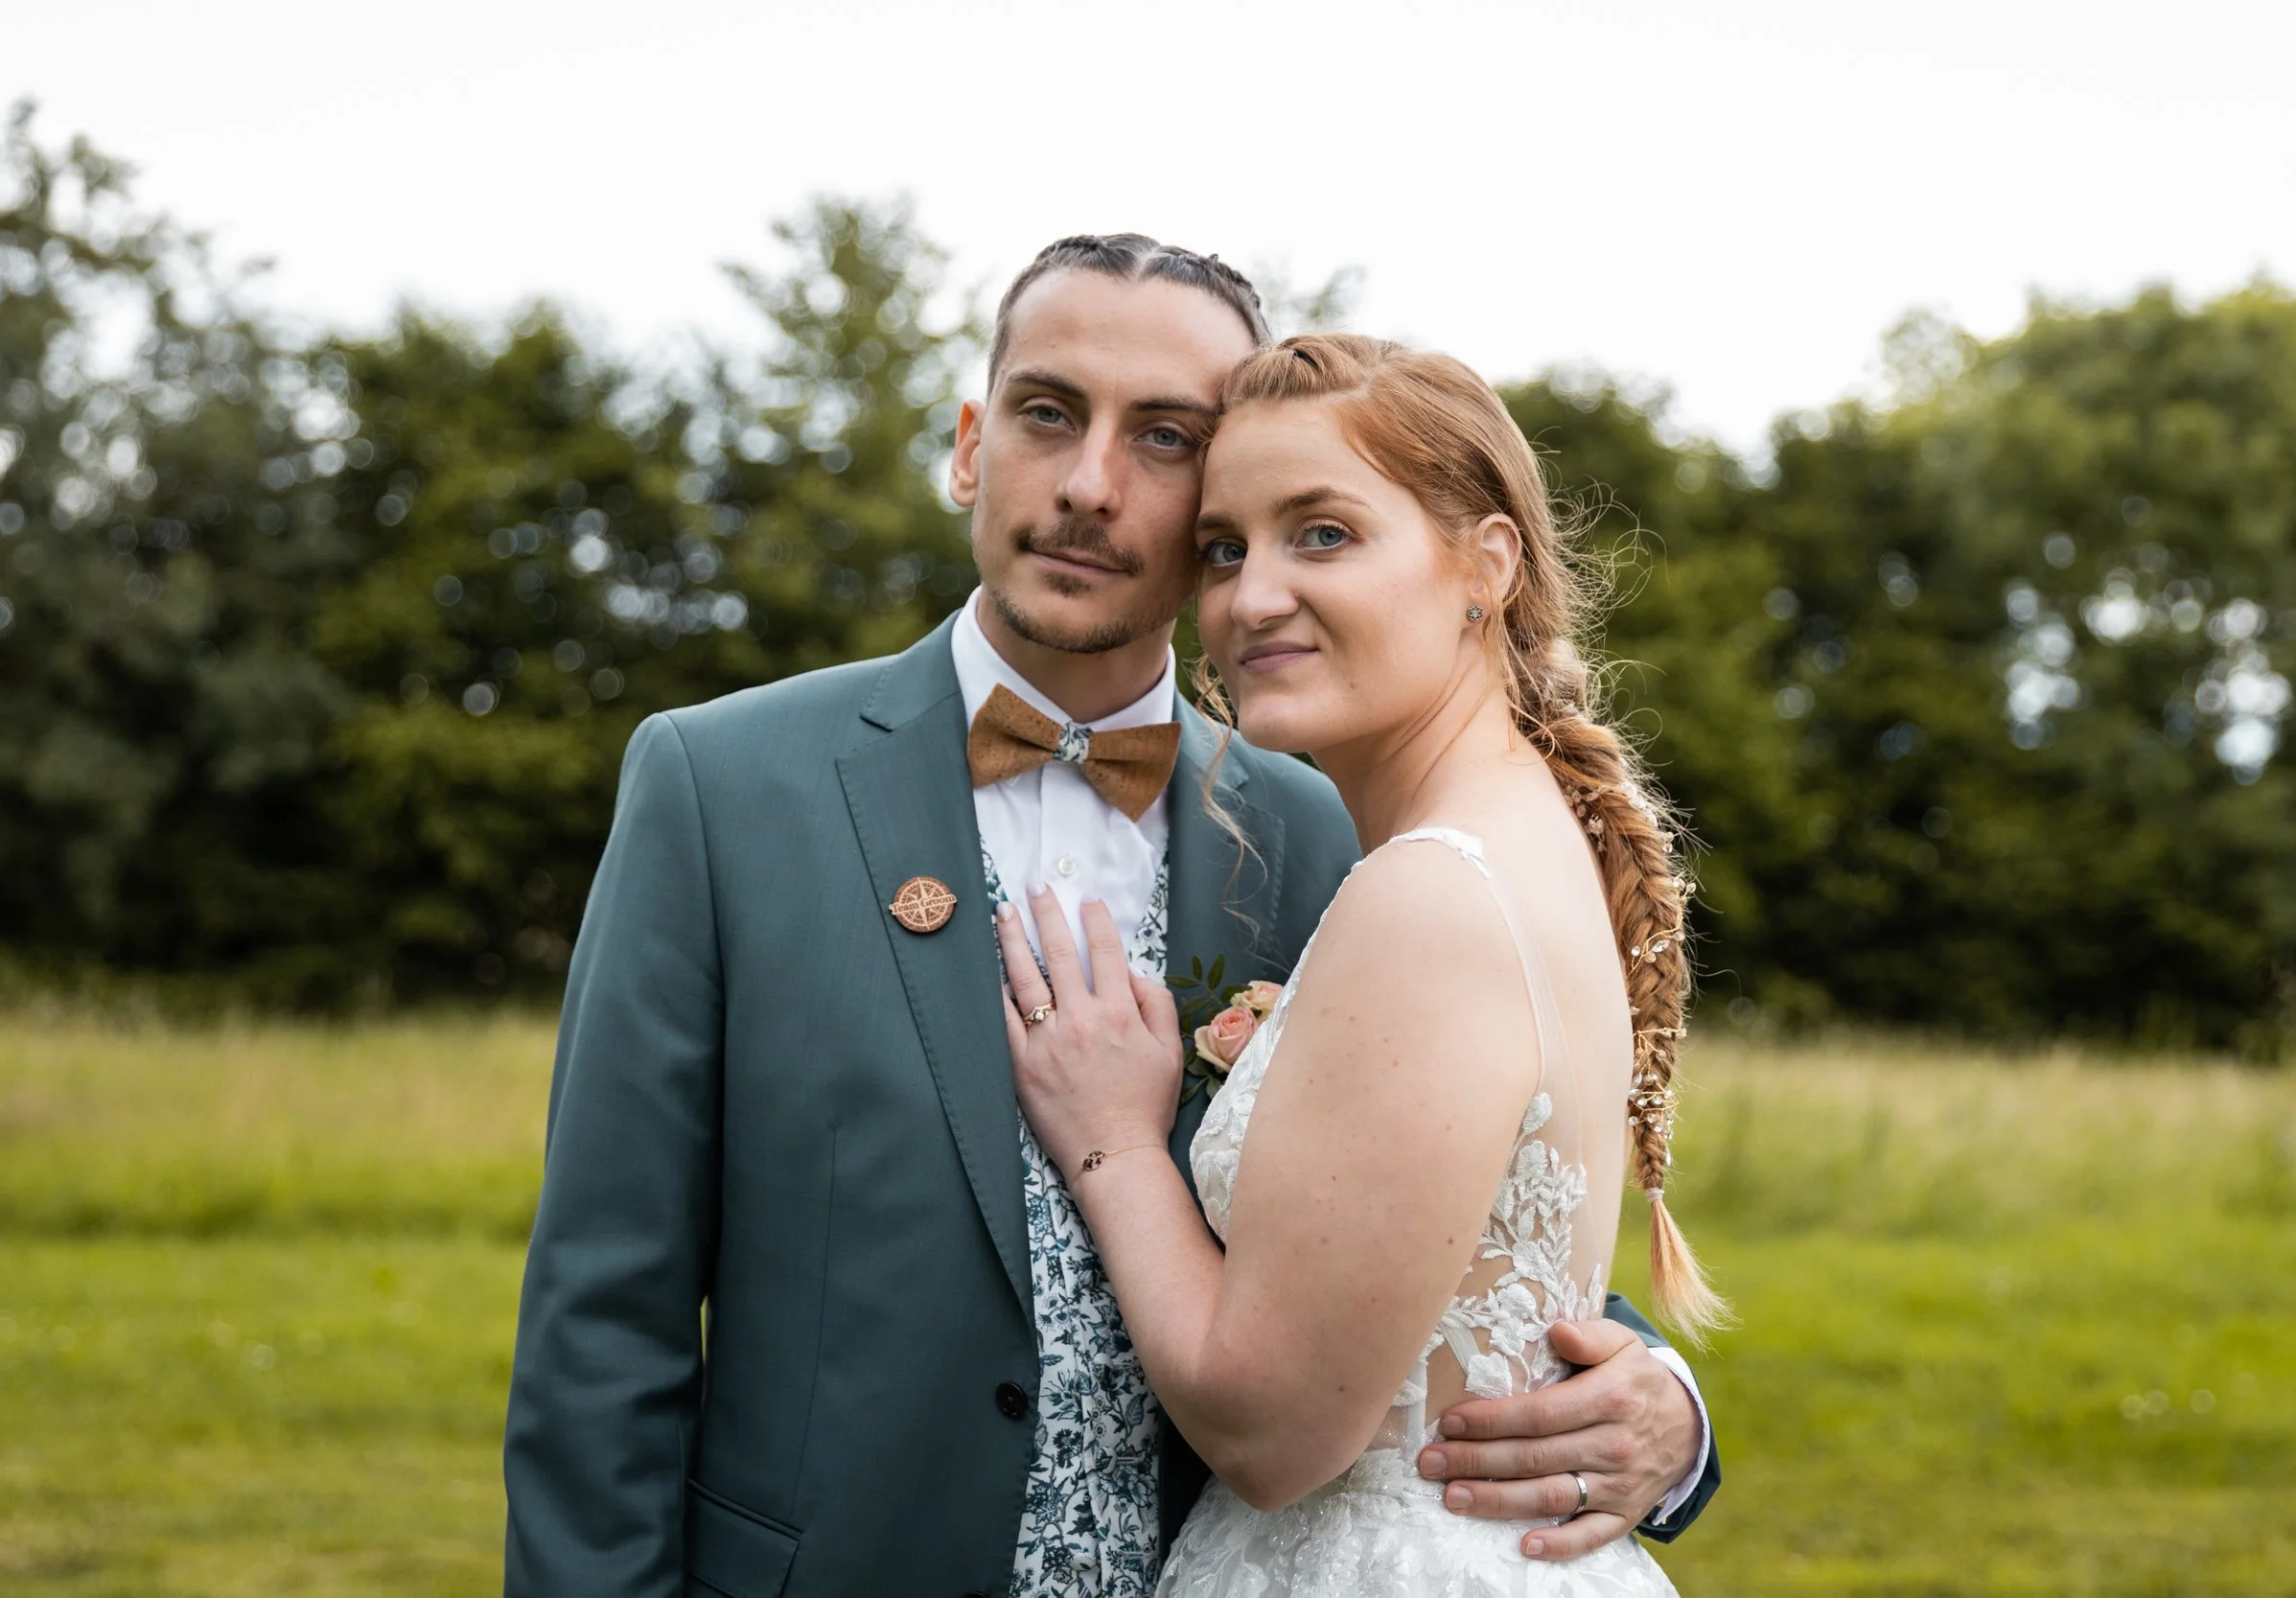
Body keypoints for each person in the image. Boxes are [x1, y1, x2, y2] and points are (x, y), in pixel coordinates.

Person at [502, 239, 1719, 1598]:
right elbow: (603, 1328)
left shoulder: (1318, 825)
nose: (1089, 484)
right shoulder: (720, 789)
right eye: (1046, 412)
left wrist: (1665, 1413)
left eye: (1162, 438)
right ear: (970, 445)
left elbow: (1432, 1209)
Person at [999, 332, 1727, 1595]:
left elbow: (1275, 1429)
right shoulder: (1505, 841)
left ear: (1483, 565)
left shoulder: (1432, 894)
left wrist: (1113, 1139)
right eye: (1224, 549)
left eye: (1322, 533)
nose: (1252, 594)